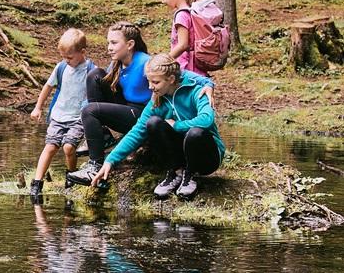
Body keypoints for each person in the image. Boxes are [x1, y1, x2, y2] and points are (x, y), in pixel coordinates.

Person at [66, 22, 214, 188]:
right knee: (95, 76)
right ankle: (103, 138)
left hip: (144, 111)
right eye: (108, 42)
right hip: (129, 109)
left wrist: (208, 84)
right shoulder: (117, 64)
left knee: (91, 110)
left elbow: (178, 73)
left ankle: (96, 164)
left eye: (114, 43)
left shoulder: (146, 63)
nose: (109, 47)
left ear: (130, 44)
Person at [88, 53, 226, 199]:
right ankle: (175, 172)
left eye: (155, 82)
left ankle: (190, 175)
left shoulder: (197, 91)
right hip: (182, 153)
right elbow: (137, 131)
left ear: (171, 79)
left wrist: (177, 125)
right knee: (152, 123)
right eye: (149, 81)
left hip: (207, 158)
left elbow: (207, 120)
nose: (150, 87)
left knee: (195, 133)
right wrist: (111, 160)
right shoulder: (157, 99)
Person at [29, 28, 97, 199]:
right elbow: (48, 86)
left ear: (82, 52)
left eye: (70, 57)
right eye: (64, 57)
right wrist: (38, 107)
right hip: (59, 115)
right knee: (50, 147)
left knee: (68, 147)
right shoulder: (61, 68)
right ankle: (37, 182)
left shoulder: (91, 69)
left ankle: (71, 175)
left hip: (78, 117)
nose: (66, 60)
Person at [155, 0, 207, 76]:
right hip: (193, 68)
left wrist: (164, 61)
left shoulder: (181, 15)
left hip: (188, 69)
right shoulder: (189, 10)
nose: (163, 1)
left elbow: (183, 45)